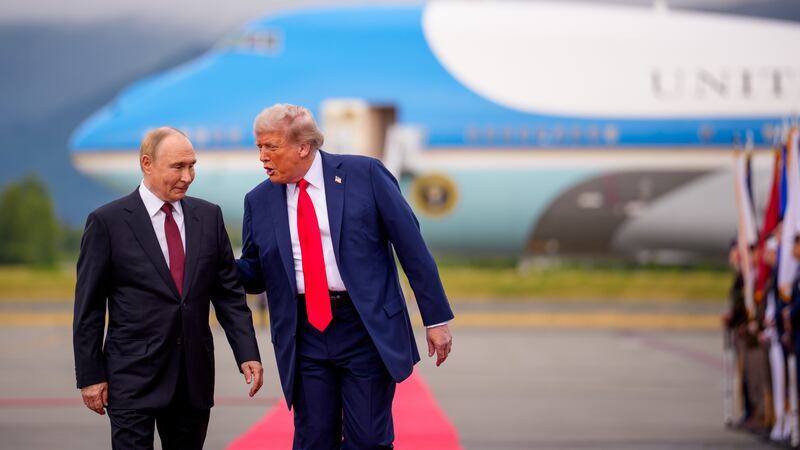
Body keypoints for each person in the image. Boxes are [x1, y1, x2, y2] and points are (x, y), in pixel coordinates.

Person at [237, 104, 454, 449]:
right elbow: (254, 275)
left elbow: (411, 247)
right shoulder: (259, 200)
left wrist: (436, 318)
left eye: (271, 147)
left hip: (364, 326)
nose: (262, 157)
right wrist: (216, 262)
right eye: (259, 147)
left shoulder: (365, 174)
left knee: (368, 439)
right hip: (303, 332)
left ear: (303, 146)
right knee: (313, 440)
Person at [73, 127, 263, 450]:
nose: (188, 176)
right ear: (147, 164)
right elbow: (89, 308)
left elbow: (229, 295)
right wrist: (90, 375)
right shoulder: (107, 222)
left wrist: (247, 353)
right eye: (178, 167)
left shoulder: (209, 216)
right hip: (132, 379)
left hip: (192, 380)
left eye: (192, 166)